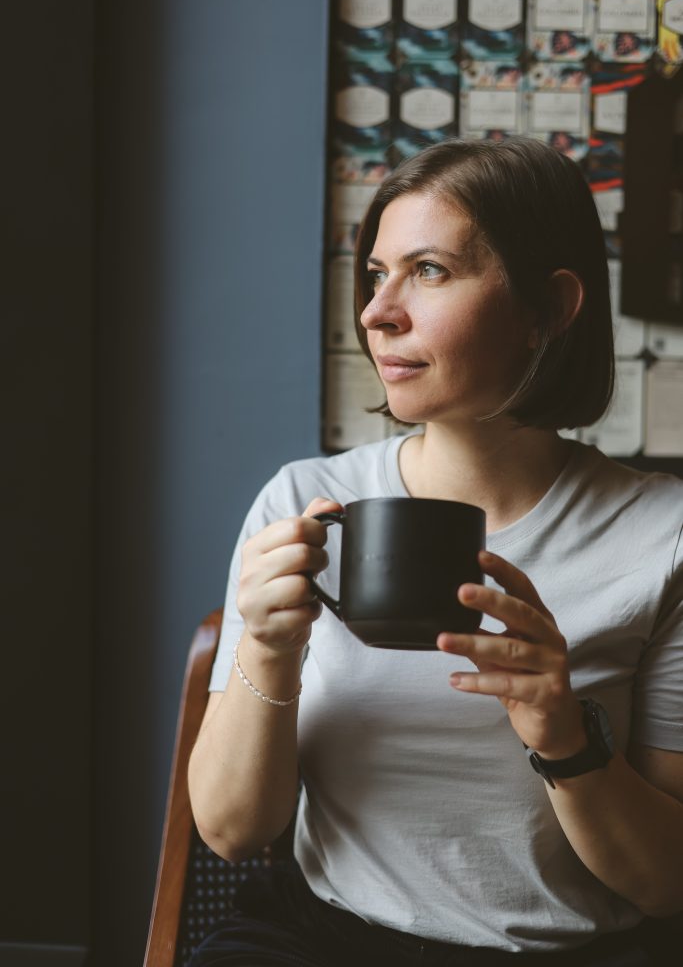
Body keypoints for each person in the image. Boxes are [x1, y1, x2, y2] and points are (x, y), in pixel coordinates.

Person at [187, 137, 683, 966]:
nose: (379, 312)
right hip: (316, 936)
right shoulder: (302, 500)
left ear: (548, 310)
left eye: (429, 271)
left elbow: (667, 885)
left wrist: (564, 736)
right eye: (376, 274)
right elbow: (235, 832)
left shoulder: (661, 536)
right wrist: (269, 652)